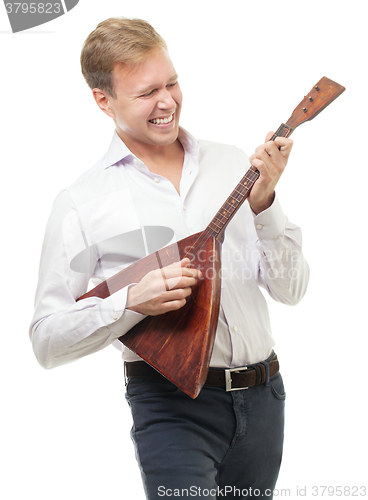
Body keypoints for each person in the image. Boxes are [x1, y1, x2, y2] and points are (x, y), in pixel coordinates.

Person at [30, 17, 309, 499]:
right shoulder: (81, 203)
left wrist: (264, 205)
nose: (167, 102)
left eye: (172, 83)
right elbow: (46, 341)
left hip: (264, 399)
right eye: (145, 93)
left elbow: (292, 290)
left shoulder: (233, 165)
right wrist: (131, 301)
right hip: (170, 406)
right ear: (104, 100)